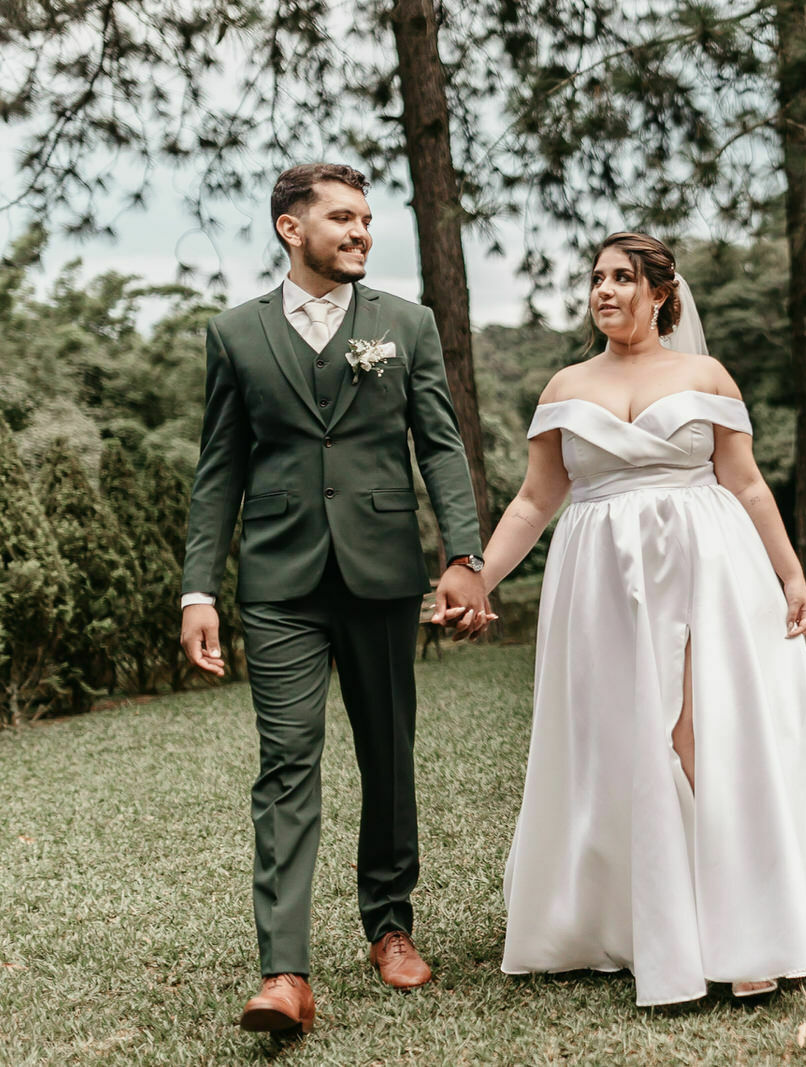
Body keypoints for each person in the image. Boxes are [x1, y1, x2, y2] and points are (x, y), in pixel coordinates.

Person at [479, 231, 806, 1006]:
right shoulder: (563, 386)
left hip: (704, 570)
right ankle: (641, 920)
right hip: (599, 583)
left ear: (661, 294)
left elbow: (746, 484)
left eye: (623, 278)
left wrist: (791, 572)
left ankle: (743, 931)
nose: (605, 291)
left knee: (698, 735)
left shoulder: (704, 374)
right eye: (596, 279)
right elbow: (534, 499)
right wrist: (476, 578)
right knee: (620, 742)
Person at [179, 163, 491, 1036]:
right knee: (286, 763)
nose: (361, 232)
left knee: (388, 752)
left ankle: (390, 924)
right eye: (343, 219)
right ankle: (284, 973)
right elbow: (219, 471)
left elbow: (439, 443)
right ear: (292, 228)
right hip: (279, 582)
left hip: (383, 570)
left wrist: (463, 555)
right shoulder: (235, 334)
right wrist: (198, 587)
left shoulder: (407, 325)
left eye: (366, 220)